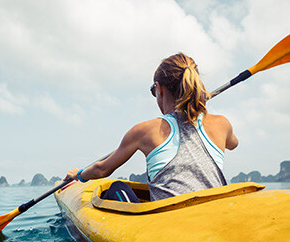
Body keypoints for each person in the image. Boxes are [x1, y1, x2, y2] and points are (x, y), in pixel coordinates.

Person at [64, 53, 239, 202]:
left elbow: (102, 169)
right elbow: (233, 144)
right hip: (216, 212)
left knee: (116, 188)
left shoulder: (144, 131)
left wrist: (78, 175)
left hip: (170, 223)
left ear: (159, 88)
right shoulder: (222, 124)